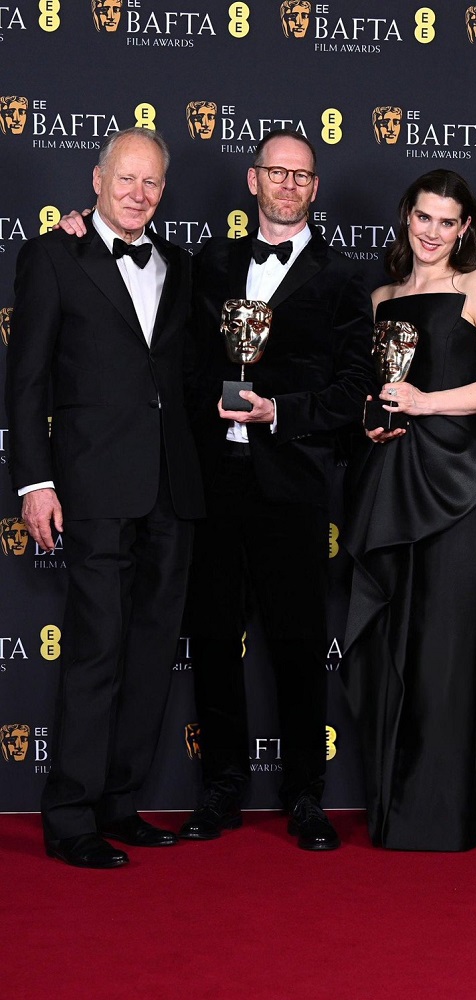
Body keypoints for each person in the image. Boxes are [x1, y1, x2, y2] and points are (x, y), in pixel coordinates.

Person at [5, 127, 205, 869]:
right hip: (91, 486)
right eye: (126, 178)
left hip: (171, 489)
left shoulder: (180, 265)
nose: (138, 194)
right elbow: (26, 379)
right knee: (94, 649)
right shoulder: (54, 255)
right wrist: (35, 482)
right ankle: (70, 815)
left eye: (151, 182)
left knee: (151, 653)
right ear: (96, 179)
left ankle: (121, 802)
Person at [180, 128, 375, 850]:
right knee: (211, 636)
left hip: (291, 482)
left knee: (297, 642)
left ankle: (304, 794)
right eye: (277, 171)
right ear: (253, 180)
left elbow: (353, 387)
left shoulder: (343, 277)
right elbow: (182, 360)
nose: (288, 184)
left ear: (314, 188)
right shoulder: (210, 262)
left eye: (301, 175)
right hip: (213, 482)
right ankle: (221, 787)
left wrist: (279, 412)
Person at [341, 169, 476, 851]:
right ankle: (393, 808)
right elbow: (376, 391)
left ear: (466, 228)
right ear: (406, 216)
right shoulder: (381, 298)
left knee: (446, 648)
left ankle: (443, 816)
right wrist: (375, 419)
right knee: (394, 642)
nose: (433, 233)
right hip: (392, 478)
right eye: (424, 217)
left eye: (448, 222)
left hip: (460, 484)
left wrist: (423, 403)